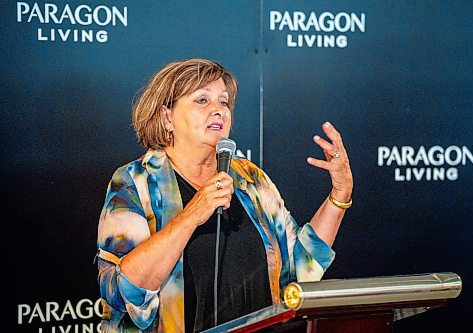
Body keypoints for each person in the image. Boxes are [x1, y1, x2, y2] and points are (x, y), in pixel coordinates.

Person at [96, 58, 353, 333]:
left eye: (224, 102)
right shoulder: (135, 183)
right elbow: (123, 291)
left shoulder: (250, 179)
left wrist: (339, 195)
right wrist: (193, 214)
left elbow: (300, 268)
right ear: (167, 117)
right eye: (202, 100)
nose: (219, 111)